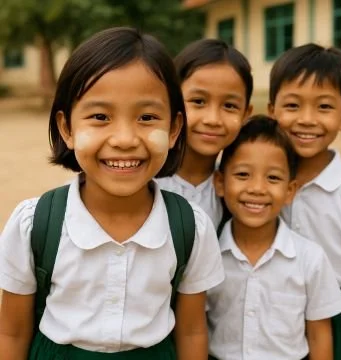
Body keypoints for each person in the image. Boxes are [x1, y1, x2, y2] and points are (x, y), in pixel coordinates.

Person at [0, 27, 225, 360]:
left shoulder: (190, 228)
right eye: (100, 117)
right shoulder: (34, 224)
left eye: (147, 117)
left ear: (174, 129)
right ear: (67, 128)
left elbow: (192, 330)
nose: (124, 138)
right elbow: (11, 331)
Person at [207, 115, 341, 360]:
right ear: (220, 182)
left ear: (290, 191)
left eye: (273, 178)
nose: (257, 188)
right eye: (242, 175)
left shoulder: (310, 258)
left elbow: (318, 334)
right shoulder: (207, 255)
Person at [268, 43, 341, 360]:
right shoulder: (258, 182)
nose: (307, 120)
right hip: (272, 316)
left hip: (338, 320)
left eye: (324, 107)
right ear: (272, 111)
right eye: (292, 106)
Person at [156, 39, 253, 228]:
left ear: (245, 114)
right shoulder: (143, 181)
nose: (212, 119)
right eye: (198, 101)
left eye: (229, 106)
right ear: (172, 101)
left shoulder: (238, 190)